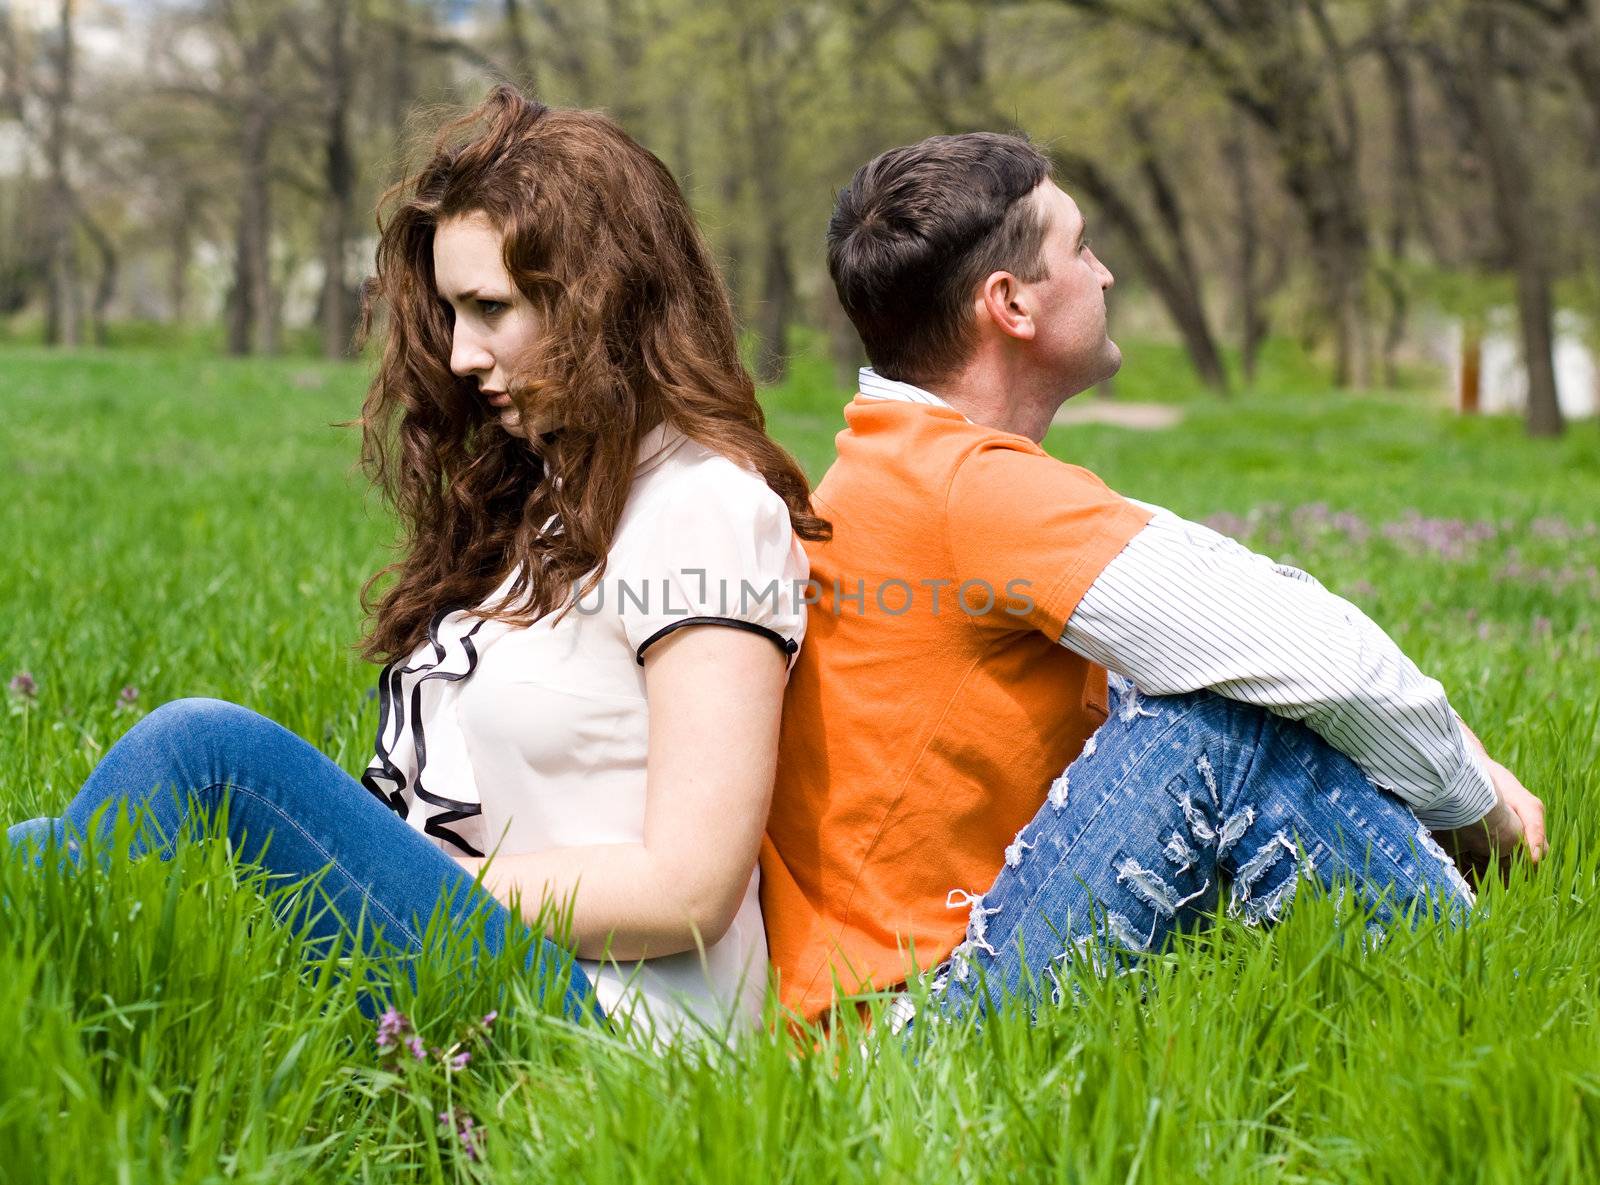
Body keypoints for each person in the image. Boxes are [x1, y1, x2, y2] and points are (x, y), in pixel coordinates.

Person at [7, 86, 825, 1042]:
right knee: (41, 854)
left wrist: (395, 868)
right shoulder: (555, 495)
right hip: (515, 969)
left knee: (203, 753)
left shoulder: (707, 509)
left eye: (491, 308)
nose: (463, 353)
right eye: (449, 311)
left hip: (622, 1029)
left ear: (604, 299)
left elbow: (689, 886)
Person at [760, 132, 1546, 1028]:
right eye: (1081, 247)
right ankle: (1488, 988)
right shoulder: (966, 489)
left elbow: (1249, 619)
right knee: (1221, 722)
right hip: (915, 1027)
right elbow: (1310, 648)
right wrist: (1483, 807)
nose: (1104, 275)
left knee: (1210, 682)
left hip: (879, 1005)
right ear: (1010, 303)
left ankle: (1415, 982)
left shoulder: (893, 466)